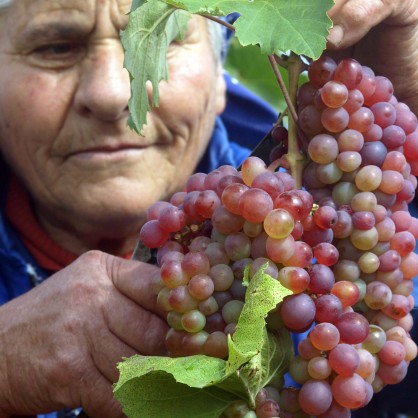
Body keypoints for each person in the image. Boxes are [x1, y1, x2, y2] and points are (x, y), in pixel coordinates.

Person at [0, 1, 417, 418]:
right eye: (55, 47)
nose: (111, 94)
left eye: (160, 40)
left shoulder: (317, 225)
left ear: (220, 79)